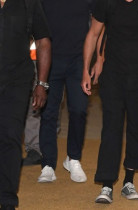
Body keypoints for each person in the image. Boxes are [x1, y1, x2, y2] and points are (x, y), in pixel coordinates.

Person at [81, 0, 138, 204]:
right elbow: (94, 34)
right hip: (113, 77)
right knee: (111, 128)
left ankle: (128, 180)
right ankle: (106, 184)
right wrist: (86, 70)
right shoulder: (107, 3)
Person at [36, 0, 95, 184]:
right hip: (50, 59)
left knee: (79, 110)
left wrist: (98, 59)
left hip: (79, 60)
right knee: (49, 112)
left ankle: (73, 158)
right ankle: (48, 164)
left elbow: (97, 24)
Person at [0, 0, 51, 208]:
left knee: (10, 136)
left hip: (16, 82)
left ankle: (7, 198)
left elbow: (43, 41)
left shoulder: (28, 3)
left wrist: (41, 84)